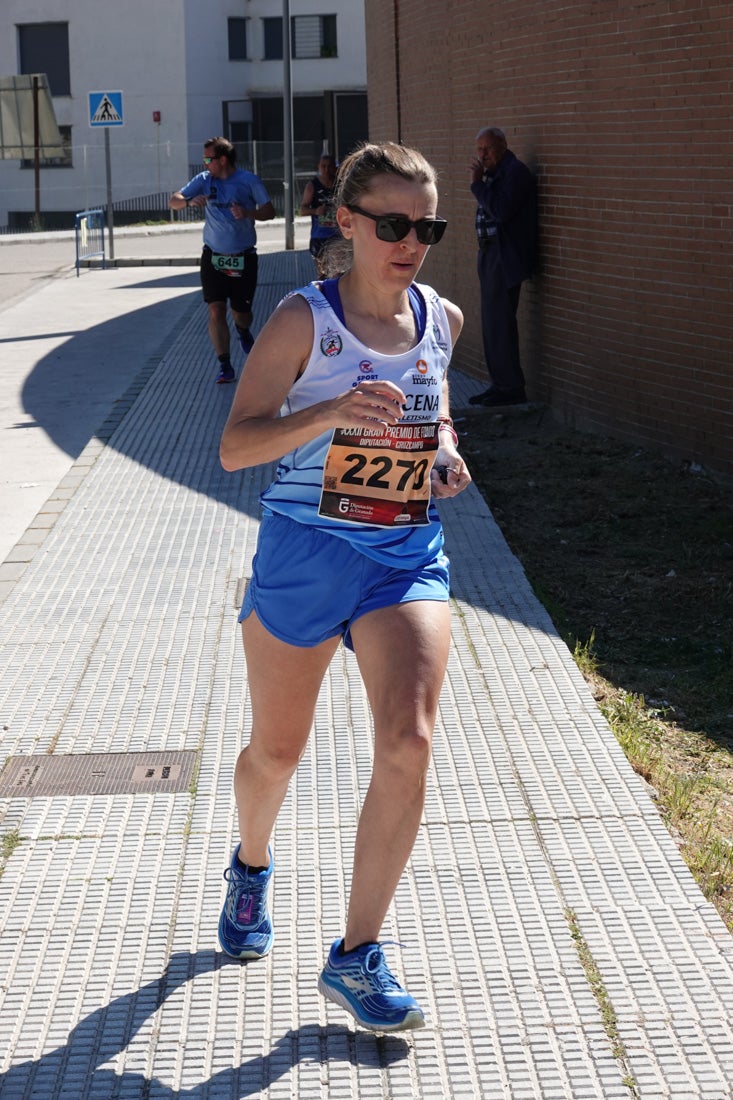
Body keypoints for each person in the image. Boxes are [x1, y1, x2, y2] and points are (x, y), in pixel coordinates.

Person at [217, 141, 471, 1032]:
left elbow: (432, 403)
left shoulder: (441, 317)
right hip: (302, 553)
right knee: (277, 754)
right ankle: (250, 865)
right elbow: (235, 445)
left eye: (426, 226)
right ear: (349, 223)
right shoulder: (302, 320)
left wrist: (442, 449)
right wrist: (326, 412)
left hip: (403, 555)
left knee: (408, 738)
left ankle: (356, 954)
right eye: (393, 224)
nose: (410, 241)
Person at [170, 137, 275, 385]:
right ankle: (225, 364)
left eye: (208, 159)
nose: (205, 164)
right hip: (214, 256)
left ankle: (242, 330)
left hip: (244, 257)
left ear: (223, 159)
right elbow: (173, 201)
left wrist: (248, 213)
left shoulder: (248, 181)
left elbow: (270, 211)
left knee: (241, 313)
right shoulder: (204, 181)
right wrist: (186, 201)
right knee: (215, 309)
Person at [468, 126, 537, 406]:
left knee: (500, 323)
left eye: (488, 149)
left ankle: (511, 388)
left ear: (503, 146)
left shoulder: (515, 173)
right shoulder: (495, 174)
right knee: (491, 323)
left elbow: (501, 210)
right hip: (489, 254)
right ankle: (499, 384)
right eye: (479, 150)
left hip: (504, 257)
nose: (482, 156)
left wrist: (477, 184)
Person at [299, 153, 339, 277]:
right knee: (322, 272)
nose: (326, 170)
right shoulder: (312, 186)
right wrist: (316, 211)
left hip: (338, 235)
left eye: (330, 166)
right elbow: (302, 210)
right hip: (319, 236)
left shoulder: (341, 184)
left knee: (338, 272)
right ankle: (322, 293)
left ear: (335, 167)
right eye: (323, 166)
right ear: (319, 167)